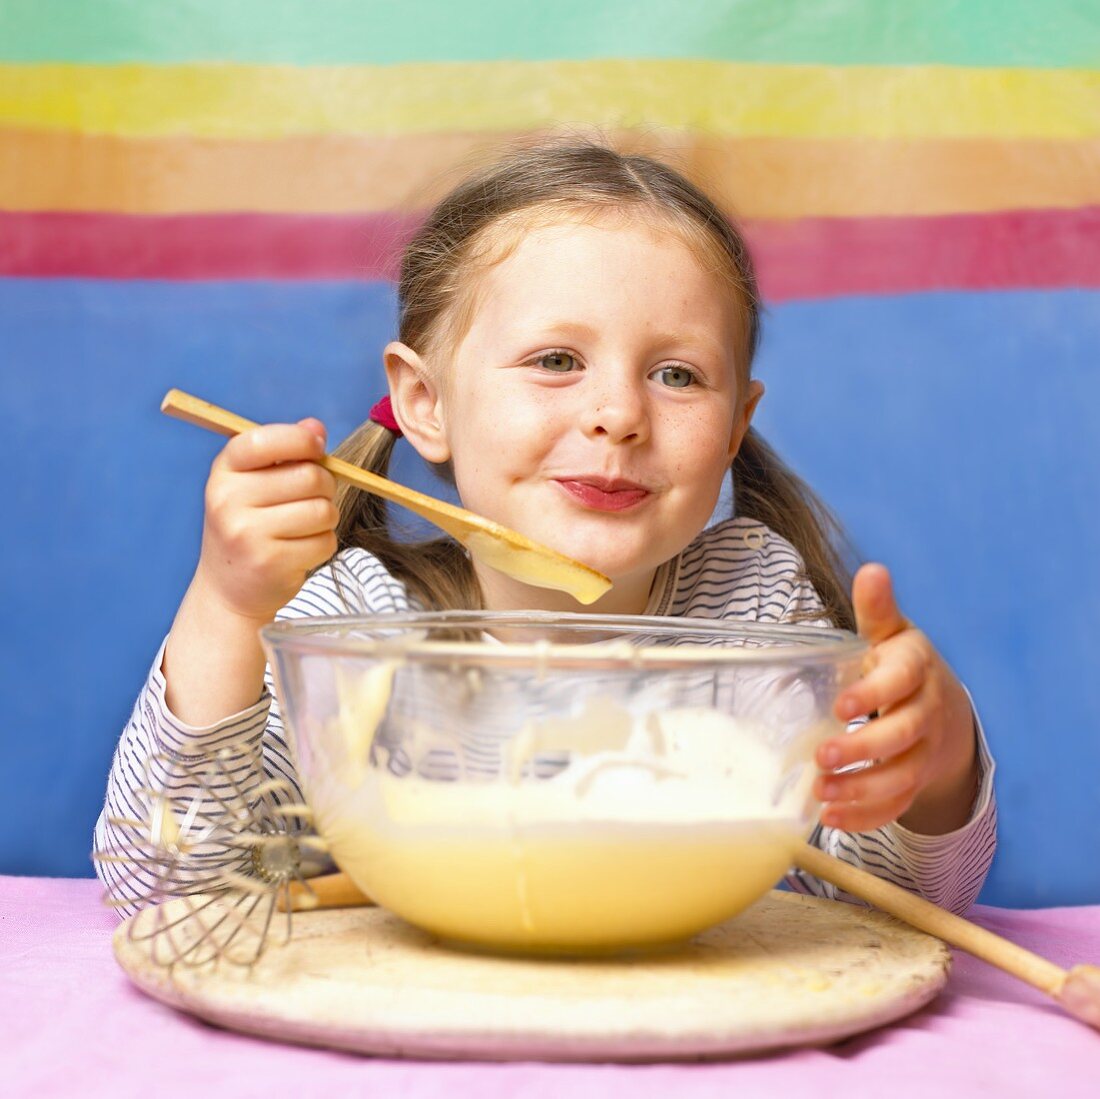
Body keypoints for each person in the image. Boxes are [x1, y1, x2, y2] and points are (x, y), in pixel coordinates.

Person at [95, 141, 995, 916]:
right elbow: (166, 884)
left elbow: (887, 902)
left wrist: (937, 753)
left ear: (733, 427)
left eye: (677, 375)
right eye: (556, 360)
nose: (618, 413)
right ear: (424, 402)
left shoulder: (754, 610)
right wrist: (224, 607)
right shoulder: (351, 631)